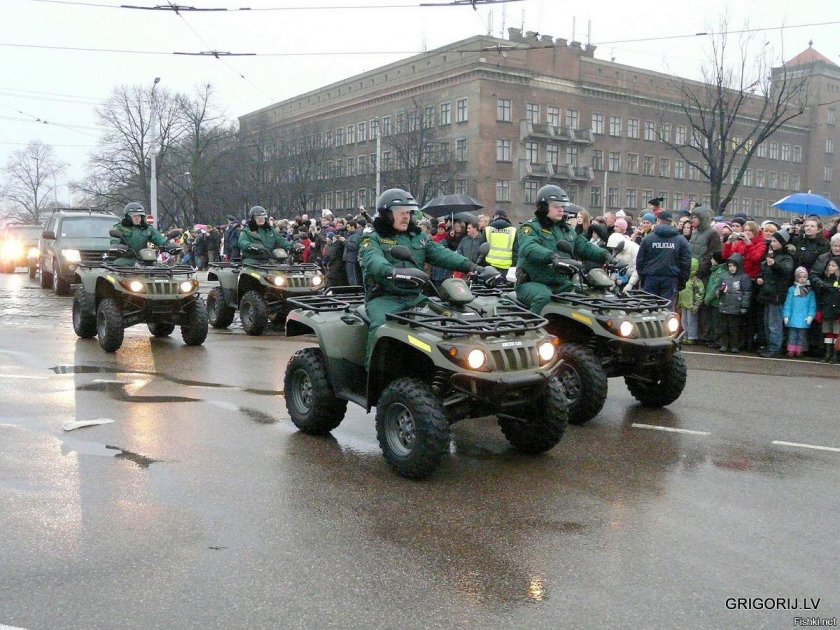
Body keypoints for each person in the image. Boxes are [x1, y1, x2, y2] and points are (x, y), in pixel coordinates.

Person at [359, 188, 484, 367]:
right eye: (400, 212)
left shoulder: (418, 238)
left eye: (408, 212)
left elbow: (443, 254)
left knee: (450, 319)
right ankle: (372, 373)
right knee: (381, 327)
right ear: (386, 215)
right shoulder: (373, 239)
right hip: (384, 299)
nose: (405, 217)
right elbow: (373, 262)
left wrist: (473, 266)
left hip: (416, 299)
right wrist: (392, 272)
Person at [516, 185, 612, 315]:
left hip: (560, 283)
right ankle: (531, 330)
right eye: (556, 206)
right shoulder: (530, 228)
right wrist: (553, 257)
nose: (561, 210)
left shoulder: (566, 229)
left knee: (587, 296)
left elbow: (582, 246)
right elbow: (529, 247)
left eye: (562, 206)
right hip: (533, 282)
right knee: (543, 297)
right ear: (543, 207)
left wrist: (605, 255)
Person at [635, 211, 692, 310]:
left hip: (651, 278)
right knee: (668, 312)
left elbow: (640, 261)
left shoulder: (648, 239)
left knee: (649, 310)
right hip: (671, 279)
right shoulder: (680, 240)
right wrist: (682, 281)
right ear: (671, 222)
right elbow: (686, 262)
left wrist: (643, 278)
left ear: (658, 221)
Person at [755, 230, 795, 358]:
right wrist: (760, 278)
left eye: (774, 241)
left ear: (782, 243)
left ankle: (775, 347)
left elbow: (787, 271)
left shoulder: (786, 257)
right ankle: (769, 346)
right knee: (767, 323)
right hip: (767, 293)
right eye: (772, 241)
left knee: (774, 324)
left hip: (777, 294)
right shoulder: (772, 255)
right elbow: (765, 271)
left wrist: (774, 264)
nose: (772, 243)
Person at [110, 202, 171, 266]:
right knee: (117, 264)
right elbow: (114, 240)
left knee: (163, 269)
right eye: (134, 216)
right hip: (126, 258)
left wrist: (168, 245)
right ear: (128, 217)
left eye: (139, 215)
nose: (137, 218)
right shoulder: (120, 227)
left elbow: (160, 240)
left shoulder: (147, 228)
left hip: (145, 259)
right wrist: (117, 246)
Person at [716, 253, 751, 353]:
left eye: (734, 266)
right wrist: (719, 291)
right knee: (724, 327)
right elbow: (718, 287)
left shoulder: (744, 277)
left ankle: (735, 345)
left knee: (734, 328)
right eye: (730, 266)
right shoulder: (724, 276)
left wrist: (744, 306)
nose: (732, 268)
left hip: (736, 306)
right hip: (724, 304)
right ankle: (724, 344)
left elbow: (747, 292)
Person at [783, 267, 817, 358]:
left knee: (802, 335)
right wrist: (786, 315)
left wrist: (811, 315)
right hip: (793, 316)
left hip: (804, 317)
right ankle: (791, 350)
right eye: (800, 277)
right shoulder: (792, 290)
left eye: (804, 277)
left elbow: (812, 305)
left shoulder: (810, 291)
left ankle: (800, 350)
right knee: (792, 335)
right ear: (796, 278)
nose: (802, 279)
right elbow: (788, 304)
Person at [815, 257, 840, 363]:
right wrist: (820, 310)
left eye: (833, 266)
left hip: (837, 312)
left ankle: (836, 354)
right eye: (829, 265)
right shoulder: (825, 280)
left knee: (836, 333)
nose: (830, 267)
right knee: (828, 333)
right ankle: (828, 353)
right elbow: (821, 296)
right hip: (826, 310)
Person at [703, 252, 729, 349]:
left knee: (717, 323)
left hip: (716, 302)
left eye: (713, 259)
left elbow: (715, 288)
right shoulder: (715, 271)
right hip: (713, 302)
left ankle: (717, 341)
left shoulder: (720, 273)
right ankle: (713, 339)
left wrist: (707, 299)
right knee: (713, 322)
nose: (711, 260)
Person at [677, 258, 704, 344]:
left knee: (692, 321)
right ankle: (685, 335)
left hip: (692, 305)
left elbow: (700, 292)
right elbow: (680, 292)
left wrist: (697, 304)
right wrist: (679, 303)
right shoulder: (684, 278)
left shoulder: (696, 281)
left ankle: (692, 336)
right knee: (684, 321)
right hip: (684, 304)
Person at [482, 209, 518, 273]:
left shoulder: (487, 230)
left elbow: (481, 250)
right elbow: (516, 252)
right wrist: (513, 267)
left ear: (496, 216)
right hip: (507, 268)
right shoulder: (514, 231)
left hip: (489, 267)